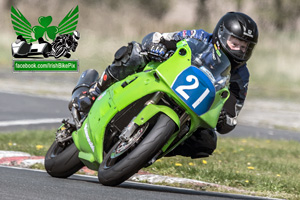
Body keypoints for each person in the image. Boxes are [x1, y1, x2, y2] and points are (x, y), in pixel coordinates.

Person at [69, 12, 259, 159]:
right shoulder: (200, 37)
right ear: (221, 35)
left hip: (192, 107)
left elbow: (234, 109)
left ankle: (151, 150)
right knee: (134, 53)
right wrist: (157, 47)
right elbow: (159, 38)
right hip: (164, 76)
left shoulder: (241, 76)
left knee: (207, 142)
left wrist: (226, 117)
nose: (240, 51)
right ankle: (94, 92)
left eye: (245, 47)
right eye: (235, 44)